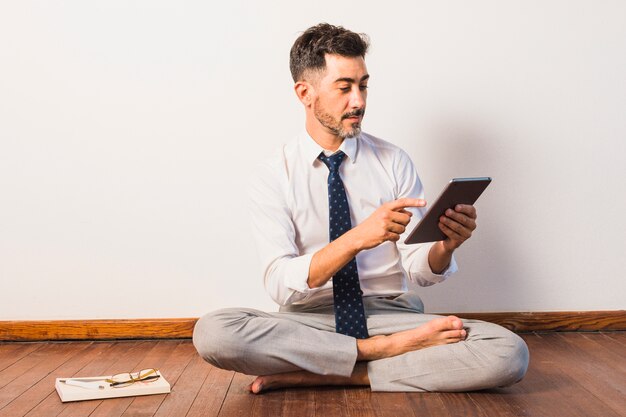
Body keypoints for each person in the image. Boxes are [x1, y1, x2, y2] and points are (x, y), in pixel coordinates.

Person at [193, 23, 528, 393]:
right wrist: (356, 239)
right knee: (214, 331)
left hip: (391, 315)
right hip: (308, 324)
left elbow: (419, 269)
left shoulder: (393, 161)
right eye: (344, 88)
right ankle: (380, 353)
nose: (359, 101)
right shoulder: (273, 175)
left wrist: (444, 247)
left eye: (363, 85)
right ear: (305, 93)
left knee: (508, 352)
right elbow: (279, 286)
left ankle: (342, 371)